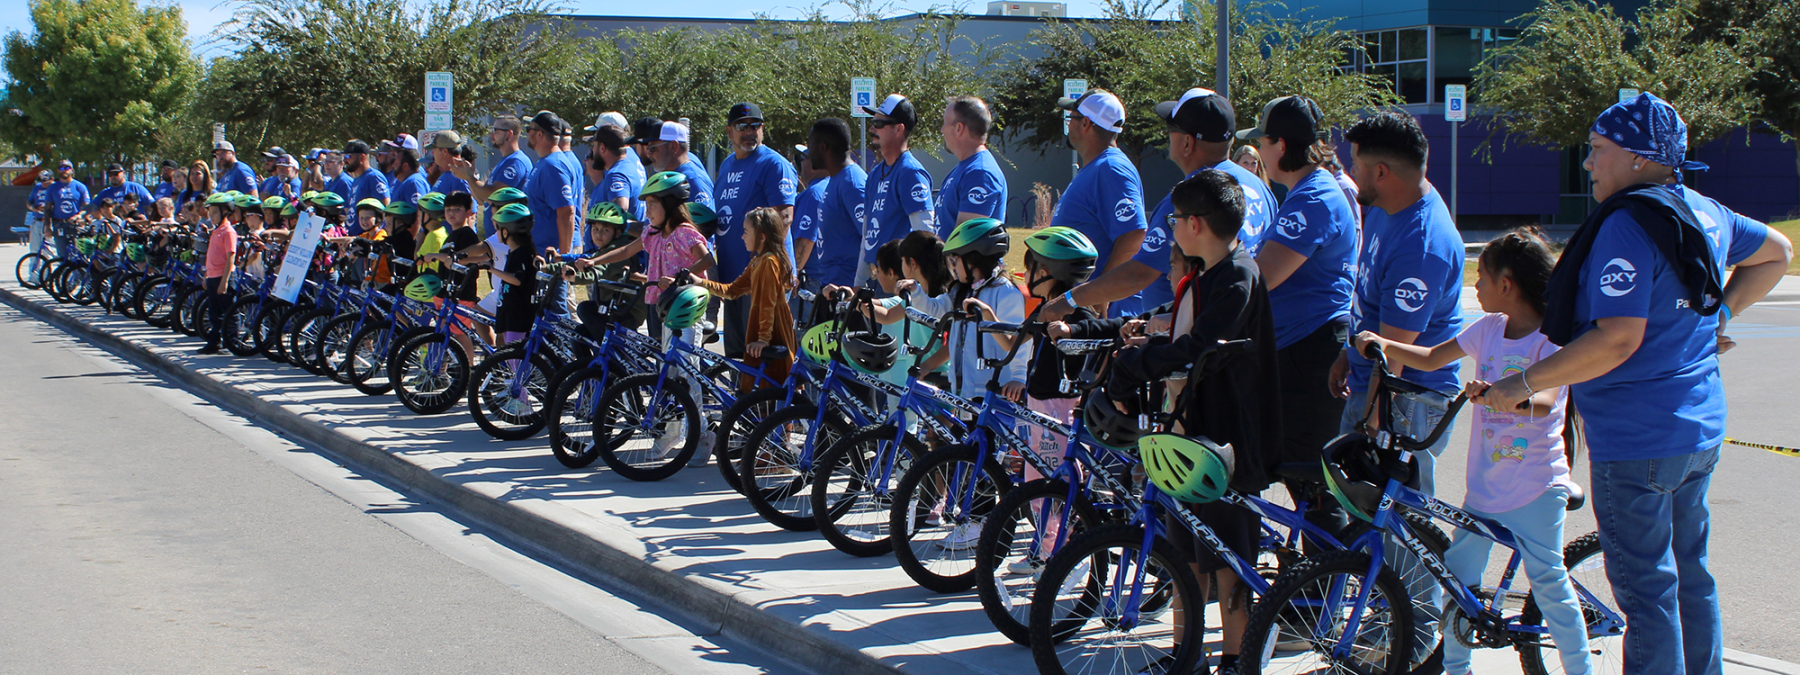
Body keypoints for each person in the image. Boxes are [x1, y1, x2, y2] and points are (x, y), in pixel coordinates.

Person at [1477, 94, 1792, 675]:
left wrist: (1523, 383)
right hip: (1697, 431)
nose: (1589, 164)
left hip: (1635, 439)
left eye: (1598, 151)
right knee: (1690, 577)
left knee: (1648, 594)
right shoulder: (1705, 210)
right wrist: (1718, 316)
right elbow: (1777, 252)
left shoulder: (1626, 223)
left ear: (1641, 159)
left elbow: (1616, 339)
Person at [1353, 228, 1592, 675]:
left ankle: (1581, 670)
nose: (1475, 285)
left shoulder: (1550, 341)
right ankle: (1457, 669)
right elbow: (1429, 358)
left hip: (1536, 488)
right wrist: (1384, 344)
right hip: (1483, 489)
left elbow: (1547, 403)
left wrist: (1510, 395)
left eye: (1480, 276)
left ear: (1507, 285)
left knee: (1549, 584)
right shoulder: (1487, 330)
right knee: (1459, 584)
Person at [1100, 170, 1281, 675]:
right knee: (1186, 559)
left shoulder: (1239, 275)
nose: (1172, 227)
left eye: (1176, 219)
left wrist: (1136, 365)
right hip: (1190, 432)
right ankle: (1185, 658)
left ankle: (1234, 660)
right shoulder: (1206, 273)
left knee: (1229, 563)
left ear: (1195, 224)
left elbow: (1200, 347)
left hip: (1225, 441)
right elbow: (1182, 326)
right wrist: (1142, 338)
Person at [1042, 88, 1275, 323]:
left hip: (1187, 336)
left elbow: (1140, 271)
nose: (1167, 136)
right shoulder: (1260, 188)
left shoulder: (1186, 199)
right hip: (1236, 329)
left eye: (1171, 129)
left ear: (1187, 142)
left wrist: (1071, 300)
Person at [1237, 95, 1359, 536]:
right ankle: (1310, 588)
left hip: (1309, 351)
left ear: (1281, 145)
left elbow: (1260, 277)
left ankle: (1321, 591)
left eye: (1262, 143)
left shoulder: (1314, 198)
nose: (1260, 154)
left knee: (1312, 482)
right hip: (1294, 347)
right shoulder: (1302, 193)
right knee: (1299, 479)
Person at [1330, 110, 1464, 493]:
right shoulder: (1386, 208)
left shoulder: (1421, 244)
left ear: (1382, 172)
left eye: (1356, 164)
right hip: (1374, 386)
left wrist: (1372, 423)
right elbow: (1369, 301)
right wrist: (1346, 353)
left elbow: (1394, 356)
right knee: (1362, 526)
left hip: (1406, 403)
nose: (1352, 172)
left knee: (1393, 529)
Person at [1040, 89, 1147, 318]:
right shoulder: (1098, 166)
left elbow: (1134, 233)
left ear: (1086, 123)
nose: (1068, 125)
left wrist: (1101, 291)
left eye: (1071, 118)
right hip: (1084, 306)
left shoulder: (1111, 168)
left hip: (1104, 312)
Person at [905, 218, 1025, 403]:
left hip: (996, 389)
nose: (952, 267)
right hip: (964, 386)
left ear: (973, 260)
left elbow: (1019, 341)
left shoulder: (1005, 293)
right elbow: (935, 308)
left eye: (956, 260)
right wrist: (916, 291)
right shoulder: (962, 290)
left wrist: (1019, 377)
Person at [713, 102, 799, 359]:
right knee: (739, 359)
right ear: (730, 132)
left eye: (755, 126)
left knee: (765, 362)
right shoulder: (727, 165)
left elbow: (783, 219)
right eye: (742, 127)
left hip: (763, 280)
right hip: (734, 279)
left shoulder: (773, 164)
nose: (749, 132)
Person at [588, 172, 715, 342]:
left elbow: (707, 260)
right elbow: (625, 251)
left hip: (685, 303)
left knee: (684, 360)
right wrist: (594, 261)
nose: (647, 212)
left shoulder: (685, 233)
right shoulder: (652, 233)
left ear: (669, 205)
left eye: (652, 205)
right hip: (659, 301)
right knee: (663, 359)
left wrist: (678, 279)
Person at [678, 206, 796, 389]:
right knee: (761, 383)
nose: (742, 237)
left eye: (746, 232)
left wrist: (764, 339)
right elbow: (733, 290)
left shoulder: (769, 262)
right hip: (762, 326)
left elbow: (768, 304)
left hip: (773, 329)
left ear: (762, 236)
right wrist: (700, 282)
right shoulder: (757, 261)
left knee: (773, 384)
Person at [857, 94, 934, 285]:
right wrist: (858, 282)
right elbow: (866, 235)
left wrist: (918, 286)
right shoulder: (875, 174)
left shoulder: (910, 172)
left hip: (898, 283)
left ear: (899, 129)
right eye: (872, 121)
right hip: (875, 280)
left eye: (879, 123)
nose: (872, 128)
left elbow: (925, 235)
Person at [806, 118, 867, 290]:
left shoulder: (852, 183)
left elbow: (869, 237)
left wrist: (857, 288)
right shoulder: (836, 180)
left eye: (811, 145)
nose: (809, 152)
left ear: (823, 147)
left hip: (847, 291)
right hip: (831, 288)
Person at [935, 95, 1008, 238]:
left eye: (945, 123)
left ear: (958, 128)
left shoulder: (980, 173)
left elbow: (966, 241)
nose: (942, 130)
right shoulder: (964, 169)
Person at [518, 111, 585, 258]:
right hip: (538, 254)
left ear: (540, 134)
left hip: (548, 257)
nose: (527, 133)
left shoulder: (554, 166)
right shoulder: (545, 162)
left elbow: (566, 212)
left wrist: (563, 258)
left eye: (529, 129)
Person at [630, 118, 713, 209]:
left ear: (673, 147)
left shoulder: (693, 180)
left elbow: (704, 221)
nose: (649, 154)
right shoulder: (669, 177)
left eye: (652, 148)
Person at [487, 204, 540, 345]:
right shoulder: (513, 252)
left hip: (518, 316)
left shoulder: (522, 253)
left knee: (516, 360)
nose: (496, 233)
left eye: (498, 229)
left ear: (505, 232)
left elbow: (517, 279)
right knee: (510, 357)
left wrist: (492, 269)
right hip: (509, 313)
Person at [198, 192, 240, 355]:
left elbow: (231, 257)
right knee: (214, 312)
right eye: (210, 212)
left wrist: (225, 281)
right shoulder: (216, 231)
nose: (211, 216)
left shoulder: (228, 232)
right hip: (213, 276)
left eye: (215, 212)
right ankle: (214, 341)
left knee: (228, 311)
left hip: (224, 277)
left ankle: (233, 341)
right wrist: (207, 275)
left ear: (225, 212)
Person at [586, 124, 646, 222]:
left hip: (622, 237)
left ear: (602, 148)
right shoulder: (632, 165)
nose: (593, 150)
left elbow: (620, 210)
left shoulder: (616, 174)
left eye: (594, 146)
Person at [790, 144, 828, 279]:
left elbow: (805, 239)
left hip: (810, 278)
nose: (800, 163)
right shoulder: (830, 186)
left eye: (802, 158)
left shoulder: (814, 193)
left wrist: (793, 273)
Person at [44, 160, 91, 257]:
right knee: (62, 255)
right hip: (59, 224)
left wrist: (80, 216)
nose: (64, 170)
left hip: (76, 225)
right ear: (58, 171)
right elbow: (48, 208)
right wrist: (47, 227)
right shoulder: (52, 188)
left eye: (66, 168)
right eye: (61, 168)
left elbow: (87, 207)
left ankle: (78, 272)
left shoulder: (80, 187)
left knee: (78, 255)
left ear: (72, 170)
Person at [344, 140, 390, 233]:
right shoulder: (356, 180)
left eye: (349, 156)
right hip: (354, 236)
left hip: (368, 239)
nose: (345, 160)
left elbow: (385, 207)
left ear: (361, 157)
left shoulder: (374, 177)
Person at [428, 132, 472, 197]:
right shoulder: (450, 175)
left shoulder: (459, 177)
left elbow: (467, 205)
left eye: (434, 149)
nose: (432, 152)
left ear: (444, 151)